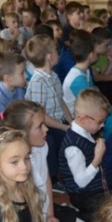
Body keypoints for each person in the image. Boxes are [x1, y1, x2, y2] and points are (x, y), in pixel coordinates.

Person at [0, 100, 90, 222]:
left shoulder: (42, 146)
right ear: (22, 133)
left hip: (46, 209)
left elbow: (46, 180)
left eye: (44, 124)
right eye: (40, 126)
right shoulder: (12, 165)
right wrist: (44, 220)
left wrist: (50, 213)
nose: (46, 129)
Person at [59, 89, 111, 222]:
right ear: (83, 118)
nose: (103, 125)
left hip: (95, 188)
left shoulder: (85, 131)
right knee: (107, 218)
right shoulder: (73, 146)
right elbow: (81, 181)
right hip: (85, 196)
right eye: (100, 121)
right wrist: (97, 159)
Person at [25, 34, 72, 179]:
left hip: (59, 121)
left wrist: (71, 122)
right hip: (47, 126)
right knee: (56, 149)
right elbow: (41, 116)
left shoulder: (53, 76)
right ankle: (54, 178)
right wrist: (64, 127)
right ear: (49, 56)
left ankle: (66, 174)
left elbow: (61, 101)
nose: (59, 53)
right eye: (56, 50)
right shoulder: (38, 82)